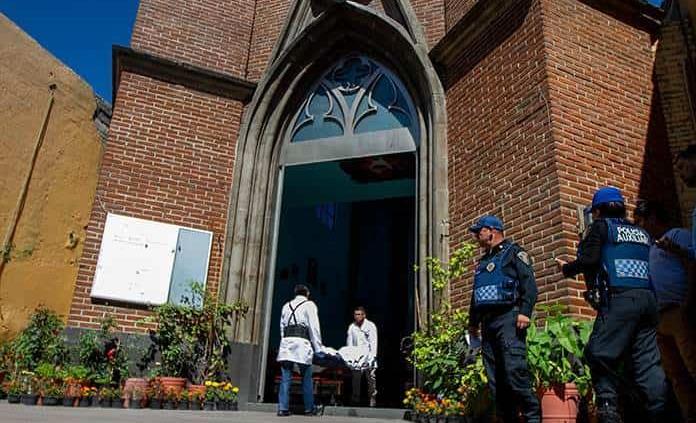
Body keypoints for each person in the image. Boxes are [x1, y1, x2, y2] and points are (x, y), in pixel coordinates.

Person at [555, 187, 667, 423]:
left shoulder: (601, 227)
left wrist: (567, 268)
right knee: (647, 362)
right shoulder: (641, 232)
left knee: (597, 352)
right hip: (648, 300)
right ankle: (659, 412)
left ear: (597, 211)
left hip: (620, 298)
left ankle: (608, 410)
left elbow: (589, 260)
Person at [467, 215, 540, 423]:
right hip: (487, 324)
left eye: (479, 231)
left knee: (515, 371)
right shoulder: (483, 262)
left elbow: (529, 284)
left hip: (509, 319)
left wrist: (525, 311)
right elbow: (476, 295)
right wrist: (472, 323)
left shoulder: (514, 253)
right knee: (495, 379)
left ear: (492, 231)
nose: (476, 236)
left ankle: (532, 417)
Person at [635, 200, 696, 422]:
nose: (640, 226)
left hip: (678, 310)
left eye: (640, 221)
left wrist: (687, 303)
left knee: (693, 363)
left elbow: (692, 264)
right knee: (677, 376)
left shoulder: (678, 235)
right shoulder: (652, 247)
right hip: (660, 317)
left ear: (652, 217)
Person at [276, 284, 323, 416]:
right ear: (307, 293)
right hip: (302, 343)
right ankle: (309, 408)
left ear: (295, 293)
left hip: (287, 343)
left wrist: (283, 342)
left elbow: (282, 327)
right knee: (306, 377)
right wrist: (318, 347)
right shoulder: (309, 305)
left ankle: (283, 408)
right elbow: (314, 327)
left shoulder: (286, 306)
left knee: (286, 377)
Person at [346, 306, 378, 407]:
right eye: (356, 314)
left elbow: (373, 342)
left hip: (368, 355)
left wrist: (373, 357)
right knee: (356, 378)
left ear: (364, 315)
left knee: (371, 378)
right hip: (357, 356)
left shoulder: (370, 326)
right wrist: (350, 357)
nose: (357, 316)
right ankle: (355, 398)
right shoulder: (352, 327)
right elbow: (350, 343)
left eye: (359, 314)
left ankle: (372, 397)